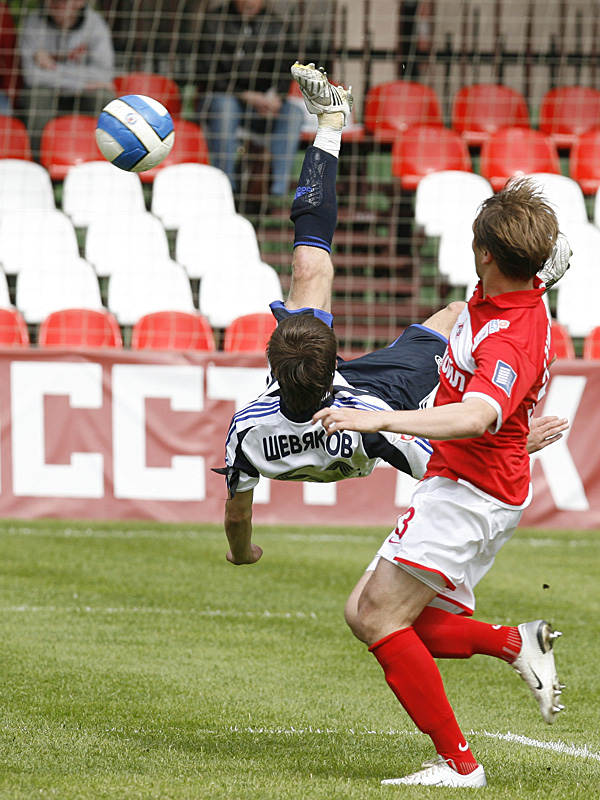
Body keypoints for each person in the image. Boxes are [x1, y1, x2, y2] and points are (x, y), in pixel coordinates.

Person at [219, 63, 570, 574]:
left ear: (271, 367)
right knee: (457, 315)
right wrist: (513, 444)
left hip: (341, 393)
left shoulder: (247, 429)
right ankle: (533, 280)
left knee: (310, 266)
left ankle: (330, 124)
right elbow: (455, 460)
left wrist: (242, 552)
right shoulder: (374, 425)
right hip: (382, 395)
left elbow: (237, 511)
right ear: (332, 360)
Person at [314, 174, 569, 786]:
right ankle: (514, 643)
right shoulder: (504, 291)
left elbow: (477, 414)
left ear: (486, 254)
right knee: (364, 611)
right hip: (465, 478)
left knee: (380, 617)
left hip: (470, 495)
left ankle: (460, 765)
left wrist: (379, 417)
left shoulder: (510, 336)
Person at [194, 0, 305, 213]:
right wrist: (245, 95)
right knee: (226, 108)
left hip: (260, 105)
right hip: (222, 99)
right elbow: (205, 73)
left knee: (293, 114)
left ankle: (276, 191)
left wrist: (276, 97)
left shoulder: (276, 26)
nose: (249, 3)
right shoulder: (214, 22)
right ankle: (226, 188)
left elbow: (287, 70)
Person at [19, 0, 116, 161]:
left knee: (105, 98)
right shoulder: (33, 22)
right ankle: (38, 163)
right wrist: (84, 83)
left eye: (64, 1)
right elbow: (32, 77)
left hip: (83, 92)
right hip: (49, 90)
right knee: (36, 97)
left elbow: (104, 74)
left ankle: (107, 160)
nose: (57, 4)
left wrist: (54, 67)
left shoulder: (95, 23)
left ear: (80, 2)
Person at [0, 2, 19, 115]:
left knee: (5, 110)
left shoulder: (2, 11)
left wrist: (12, 97)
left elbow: (10, 59)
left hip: (2, 93)